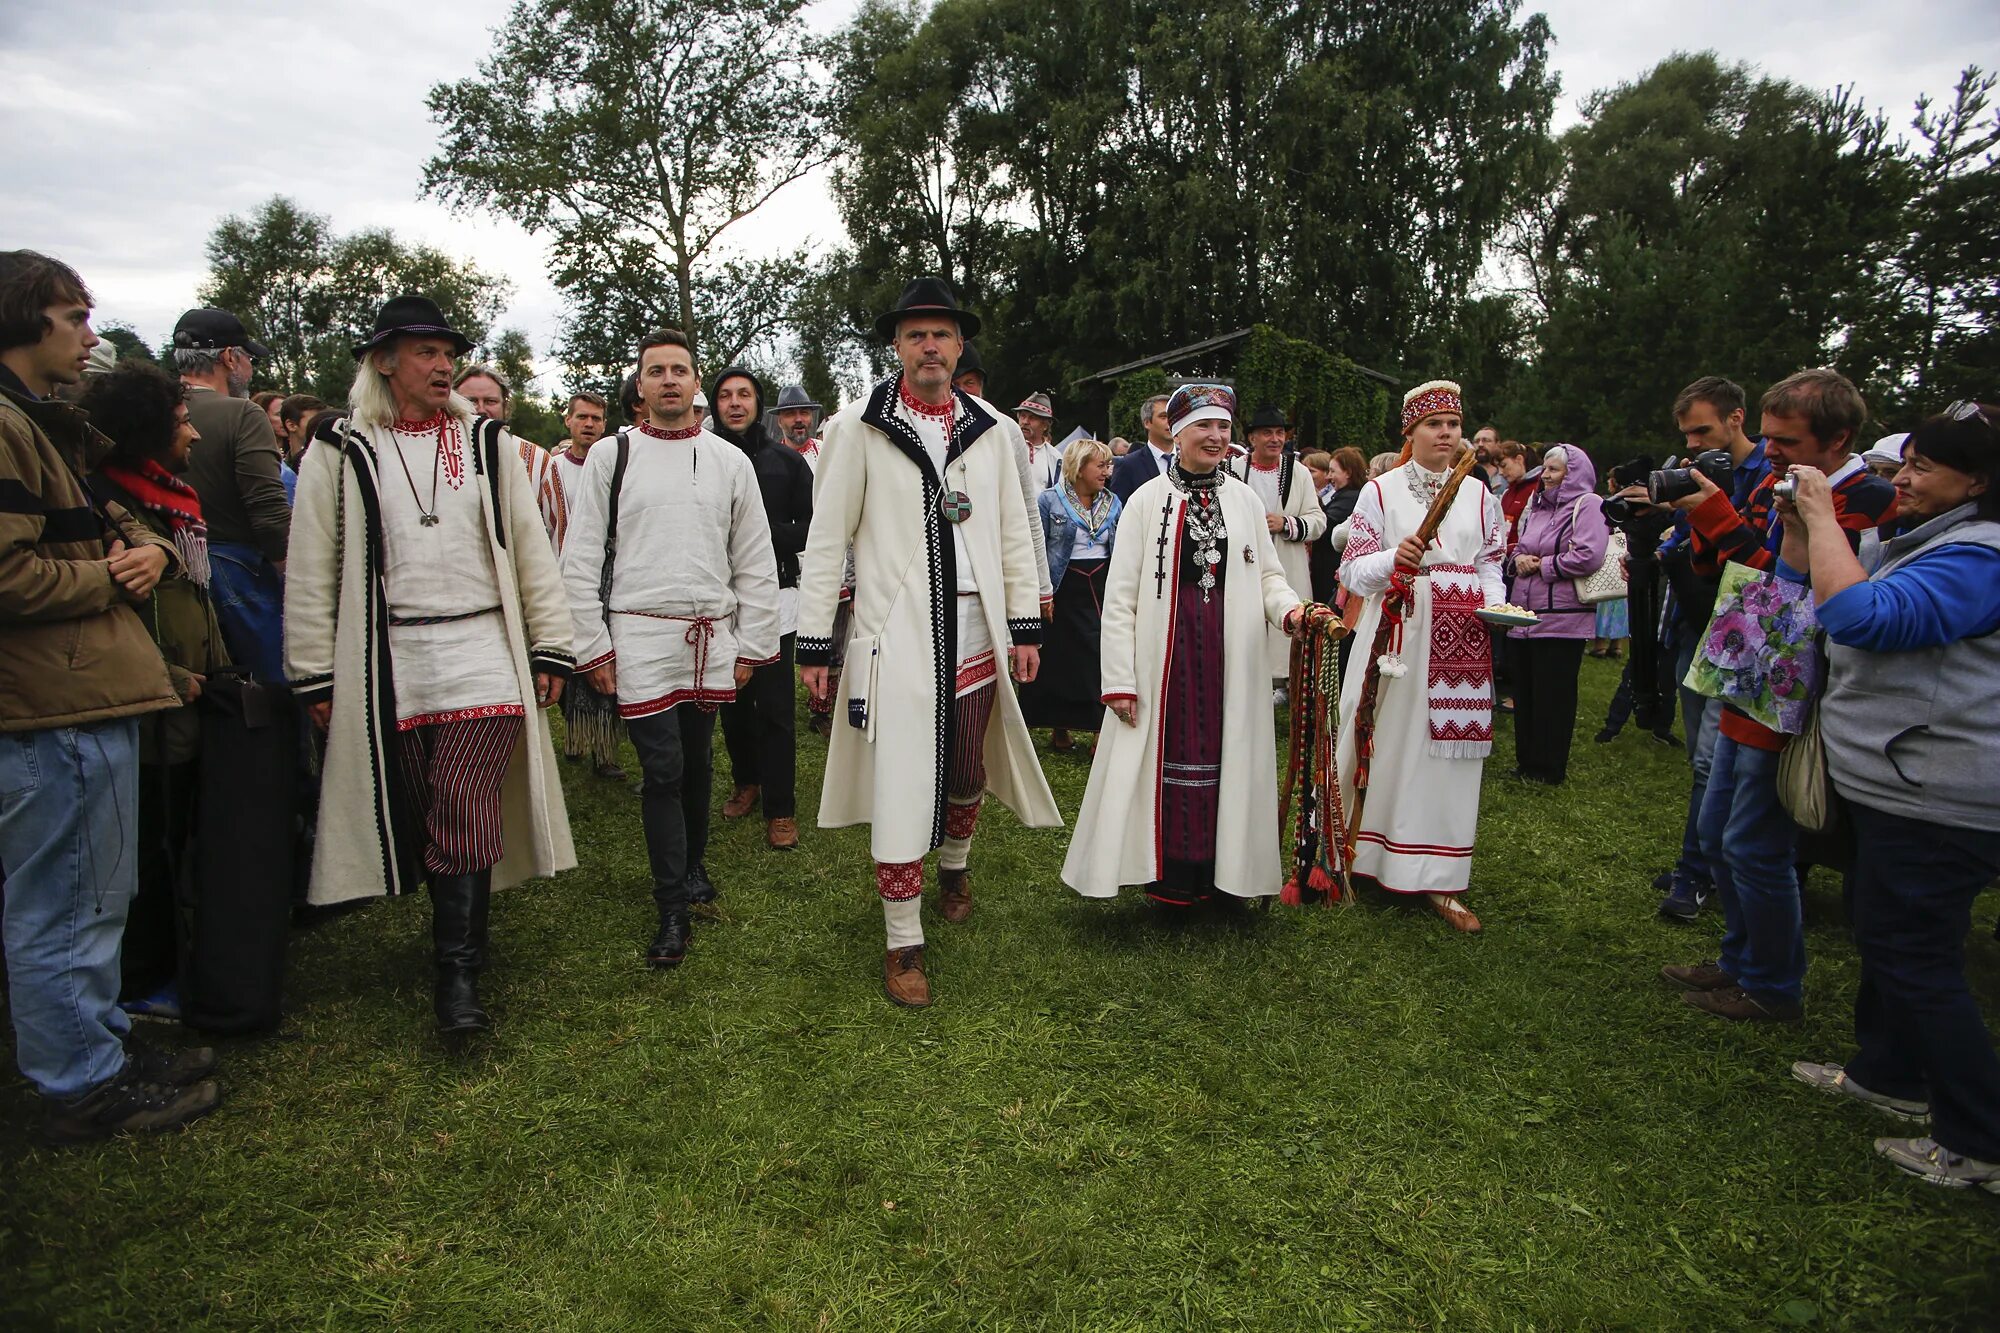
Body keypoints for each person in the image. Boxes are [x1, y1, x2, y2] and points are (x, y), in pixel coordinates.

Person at [286, 295, 576, 1037]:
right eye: (424, 351)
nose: (442, 363)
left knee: (463, 799)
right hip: (389, 657)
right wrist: (315, 672)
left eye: (448, 350)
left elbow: (530, 547)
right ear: (384, 360)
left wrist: (550, 646)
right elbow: (313, 565)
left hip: (483, 649)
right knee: (416, 801)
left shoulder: (488, 443)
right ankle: (456, 936)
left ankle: (458, 975)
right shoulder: (339, 448)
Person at [1, 250, 220, 1142]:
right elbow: (12, 572)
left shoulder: (45, 427)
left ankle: (101, 1040)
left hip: (85, 694)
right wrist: (112, 576)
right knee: (63, 899)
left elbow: (119, 521)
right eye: (75, 318)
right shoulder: (6, 427)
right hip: (50, 701)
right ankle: (76, 1079)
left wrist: (153, 553)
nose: (91, 336)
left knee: (97, 894)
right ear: (24, 319)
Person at [795, 277, 1060, 1008]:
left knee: (969, 765)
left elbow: (1015, 526)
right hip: (897, 632)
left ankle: (956, 862)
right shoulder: (860, 425)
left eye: (942, 334)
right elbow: (826, 541)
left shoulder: (994, 426)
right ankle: (902, 938)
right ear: (897, 346)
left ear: (959, 344)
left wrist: (1026, 623)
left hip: (977, 627)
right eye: (917, 335)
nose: (931, 346)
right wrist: (817, 644)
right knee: (905, 782)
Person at [1783, 403, 2000, 1193]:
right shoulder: (1936, 541)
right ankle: (1890, 1074)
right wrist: (1804, 531)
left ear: (1977, 481)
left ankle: (1979, 1138)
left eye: (1923, 468)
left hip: (1943, 791)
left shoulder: (1981, 558)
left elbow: (1857, 615)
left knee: (1917, 953)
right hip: (1902, 783)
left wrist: (1819, 507)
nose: (1901, 478)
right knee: (1890, 934)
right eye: (1903, 462)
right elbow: (1811, 584)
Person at [1661, 368, 1896, 1023]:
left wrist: (1717, 518)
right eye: (1768, 438)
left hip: (1790, 675)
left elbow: (1796, 592)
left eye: (1786, 440)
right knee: (1717, 828)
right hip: (1746, 656)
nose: (1771, 452)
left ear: (1839, 438)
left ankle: (1771, 981)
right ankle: (1739, 960)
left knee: (1754, 840)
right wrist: (1704, 527)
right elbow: (1729, 572)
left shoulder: (1867, 501)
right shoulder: (1774, 481)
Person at [562, 332, 780, 967]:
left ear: (694, 381)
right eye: (655, 371)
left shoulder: (728, 462)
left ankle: (691, 867)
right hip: (639, 634)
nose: (668, 381)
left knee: (698, 760)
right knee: (662, 769)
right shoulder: (612, 454)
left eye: (679, 370)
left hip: (711, 636)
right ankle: (671, 907)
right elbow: (580, 556)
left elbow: (754, 559)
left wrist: (752, 643)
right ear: (639, 384)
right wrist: (592, 645)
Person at [1062, 384, 1306, 904]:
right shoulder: (1147, 501)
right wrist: (1120, 680)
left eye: (1223, 427)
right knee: (1166, 760)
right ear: (1176, 432)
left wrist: (1290, 610)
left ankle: (1227, 876)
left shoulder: (1243, 498)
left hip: (1229, 656)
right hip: (1165, 658)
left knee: (1229, 757)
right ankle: (1171, 877)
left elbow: (1268, 575)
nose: (1216, 436)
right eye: (1203, 426)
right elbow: (1122, 596)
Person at [79, 361, 232, 1023]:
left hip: (188, 697)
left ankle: (174, 961)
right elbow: (114, 615)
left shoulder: (169, 500)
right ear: (146, 431)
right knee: (146, 843)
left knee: (177, 831)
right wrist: (169, 678)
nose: (194, 434)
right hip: (146, 707)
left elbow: (193, 599)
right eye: (180, 421)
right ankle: (143, 978)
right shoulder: (112, 504)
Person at [1335, 380, 1505, 932]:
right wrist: (1392, 557)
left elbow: (1490, 564)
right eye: (1435, 425)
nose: (1447, 433)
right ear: (1410, 432)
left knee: (1449, 757)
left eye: (1454, 425)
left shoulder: (1480, 495)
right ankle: (1359, 856)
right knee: (1384, 743)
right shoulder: (1380, 492)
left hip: (1462, 635)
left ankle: (1441, 877)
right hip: (1398, 634)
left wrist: (1495, 605)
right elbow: (1352, 572)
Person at [1653, 377, 1770, 921]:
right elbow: (1698, 560)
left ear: (1737, 418)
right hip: (1696, 625)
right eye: (1687, 433)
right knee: (1704, 763)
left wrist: (1713, 510)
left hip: (1748, 636)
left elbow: (1761, 569)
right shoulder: (1697, 474)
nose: (1695, 443)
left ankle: (1699, 875)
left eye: (1703, 430)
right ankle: (1701, 868)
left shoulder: (1770, 478)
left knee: (1710, 763)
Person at [710, 365, 813, 851]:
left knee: (774, 706)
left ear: (757, 404)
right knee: (731, 702)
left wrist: (759, 533)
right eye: (726, 395)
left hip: (776, 597)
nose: (734, 403)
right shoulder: (698, 459)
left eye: (744, 395)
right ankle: (746, 780)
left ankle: (781, 806)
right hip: (716, 598)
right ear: (714, 403)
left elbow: (810, 528)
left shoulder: (788, 464)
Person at [172, 307, 290, 684]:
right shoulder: (241, 414)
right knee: (273, 697)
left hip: (168, 580)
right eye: (248, 358)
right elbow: (268, 510)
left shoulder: (149, 409)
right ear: (228, 357)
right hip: (238, 576)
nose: (251, 369)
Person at [1505, 444, 1609, 785]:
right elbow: (1521, 546)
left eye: (1554, 470)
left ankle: (1548, 768)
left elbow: (1590, 554)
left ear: (1573, 474)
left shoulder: (1588, 505)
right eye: (1545, 468)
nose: (1545, 475)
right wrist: (1518, 560)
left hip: (1562, 616)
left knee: (1554, 694)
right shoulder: (1536, 507)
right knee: (1527, 691)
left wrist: (1544, 566)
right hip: (1524, 614)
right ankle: (1526, 762)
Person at [540, 391, 624, 779]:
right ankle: (576, 735)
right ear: (568, 421)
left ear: (605, 424)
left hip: (605, 582)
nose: (589, 424)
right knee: (570, 667)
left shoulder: (616, 465)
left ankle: (604, 751)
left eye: (596, 419)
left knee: (604, 663)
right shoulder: (553, 469)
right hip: (557, 583)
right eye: (582, 418)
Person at [1023, 437, 1121, 750]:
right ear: (1079, 468)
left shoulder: (1113, 502)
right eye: (1100, 464)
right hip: (1062, 586)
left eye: (1108, 464)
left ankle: (1097, 730)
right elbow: (1036, 548)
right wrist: (1043, 593)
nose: (1107, 471)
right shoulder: (1050, 501)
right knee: (1059, 659)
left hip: (1100, 584)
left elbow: (1119, 548)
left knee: (1097, 655)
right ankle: (1059, 728)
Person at [1231, 404, 1326, 689]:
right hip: (1243, 561)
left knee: (1287, 617)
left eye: (1280, 432)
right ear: (1252, 438)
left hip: (1288, 563)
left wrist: (1286, 523)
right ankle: (1246, 681)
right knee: (1245, 619)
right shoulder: (1232, 470)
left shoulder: (1299, 472)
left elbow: (1318, 521)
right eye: (1267, 433)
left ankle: (1287, 684)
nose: (1275, 439)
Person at [1595, 455, 1677, 745]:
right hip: (1640, 585)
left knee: (1667, 663)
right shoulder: (1623, 509)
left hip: (1668, 592)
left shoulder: (1669, 513)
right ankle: (1614, 723)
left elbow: (1682, 535)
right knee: (1639, 657)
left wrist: (1662, 503)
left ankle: (1660, 725)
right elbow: (1609, 515)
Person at [1109, 393, 1174, 501]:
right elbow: (1119, 510)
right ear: (1147, 423)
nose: (1171, 421)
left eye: (1173, 416)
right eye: (1163, 416)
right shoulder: (1128, 465)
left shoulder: (1192, 460)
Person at [1016, 390, 1063, 493]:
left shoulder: (1055, 457)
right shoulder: (1008, 446)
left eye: (1032, 418)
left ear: (1045, 425)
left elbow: (1058, 495)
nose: (1025, 422)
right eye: (1023, 416)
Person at [773, 383, 822, 466]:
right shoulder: (770, 459)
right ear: (780, 421)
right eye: (790, 414)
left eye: (804, 413)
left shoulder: (826, 451)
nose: (798, 419)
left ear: (811, 418)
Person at [278, 393, 327, 469]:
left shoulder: (329, 462)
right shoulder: (279, 470)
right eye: (314, 421)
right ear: (291, 425)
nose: (321, 425)